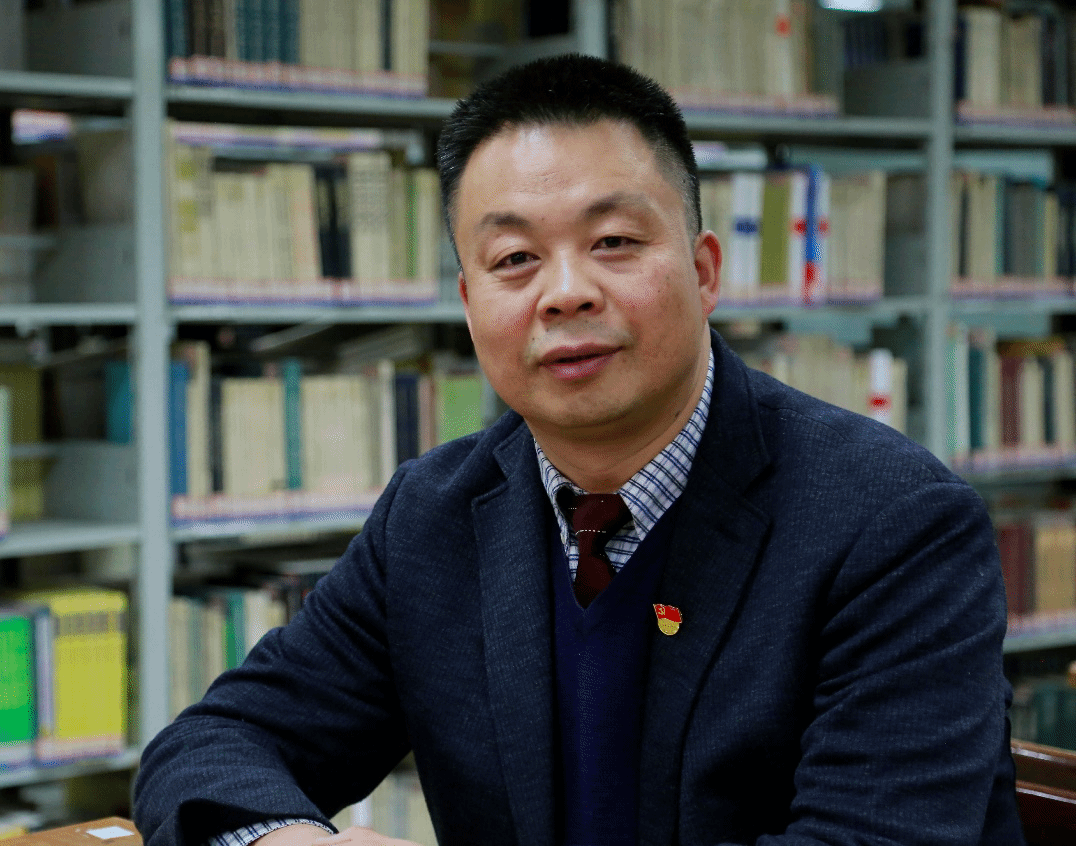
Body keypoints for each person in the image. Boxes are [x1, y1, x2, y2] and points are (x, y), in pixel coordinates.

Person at [134, 54, 1024, 846]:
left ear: (705, 271)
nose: (565, 292)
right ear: (469, 304)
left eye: (614, 243)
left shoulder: (895, 525)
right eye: (514, 259)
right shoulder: (434, 515)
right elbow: (214, 745)